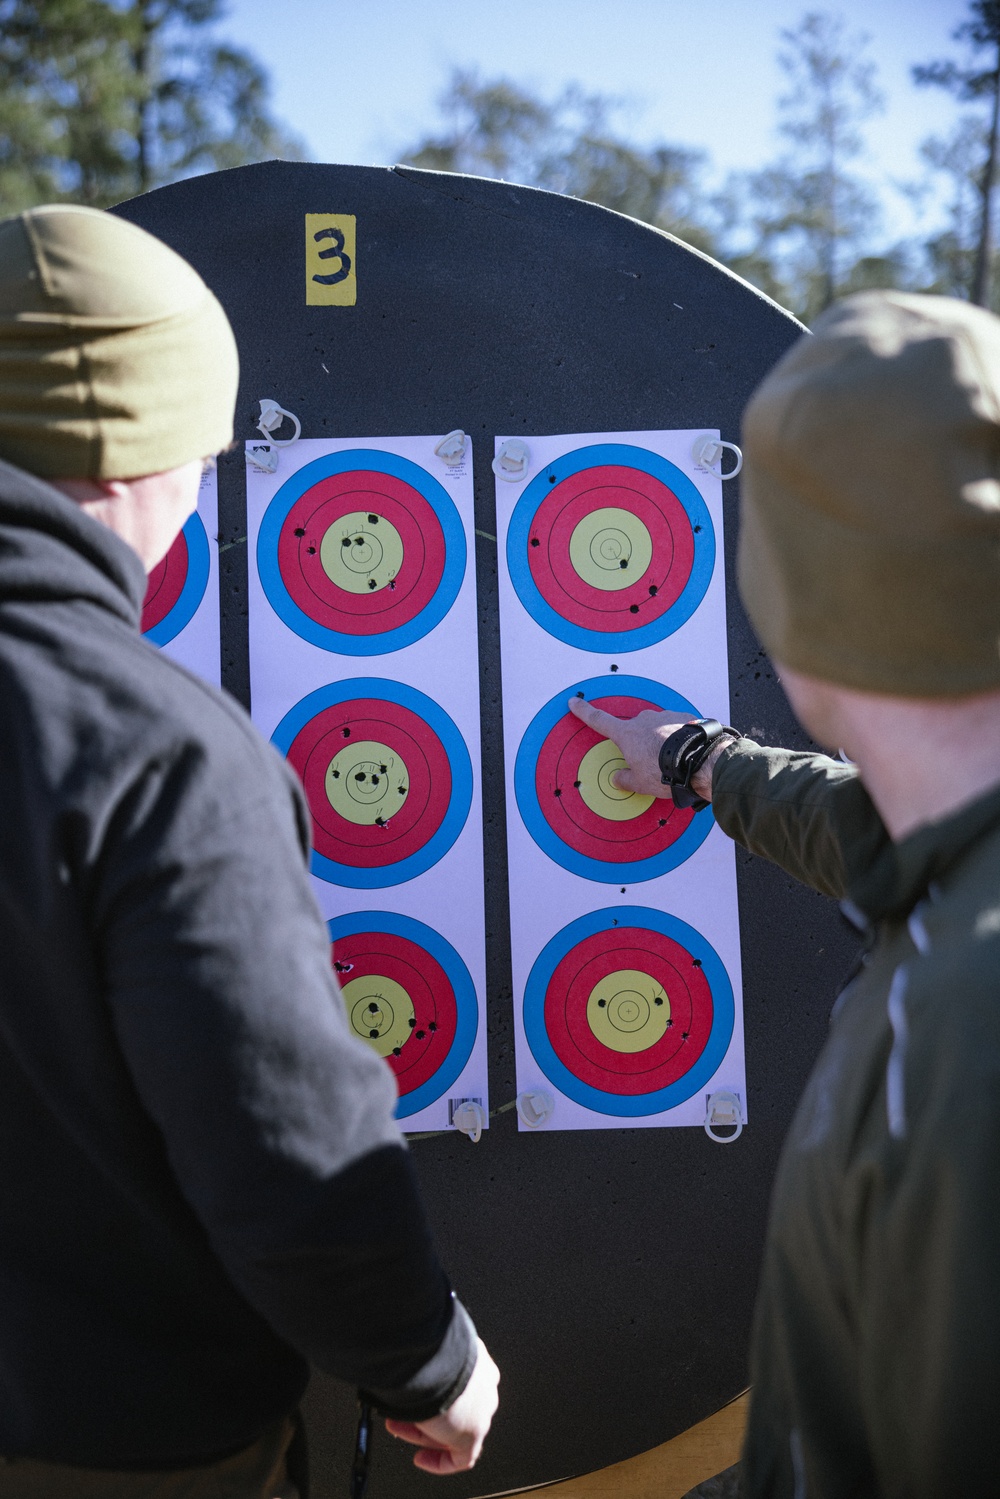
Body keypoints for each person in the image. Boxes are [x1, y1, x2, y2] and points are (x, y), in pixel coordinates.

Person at [0, 204, 498, 1495]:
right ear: (131, 453)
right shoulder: (158, 750)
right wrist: (427, 1360)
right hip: (108, 1443)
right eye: (201, 452)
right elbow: (284, 1143)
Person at [570, 290, 1000, 1498]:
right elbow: (879, 831)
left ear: (795, 619)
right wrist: (700, 760)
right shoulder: (952, 864)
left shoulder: (967, 1027)